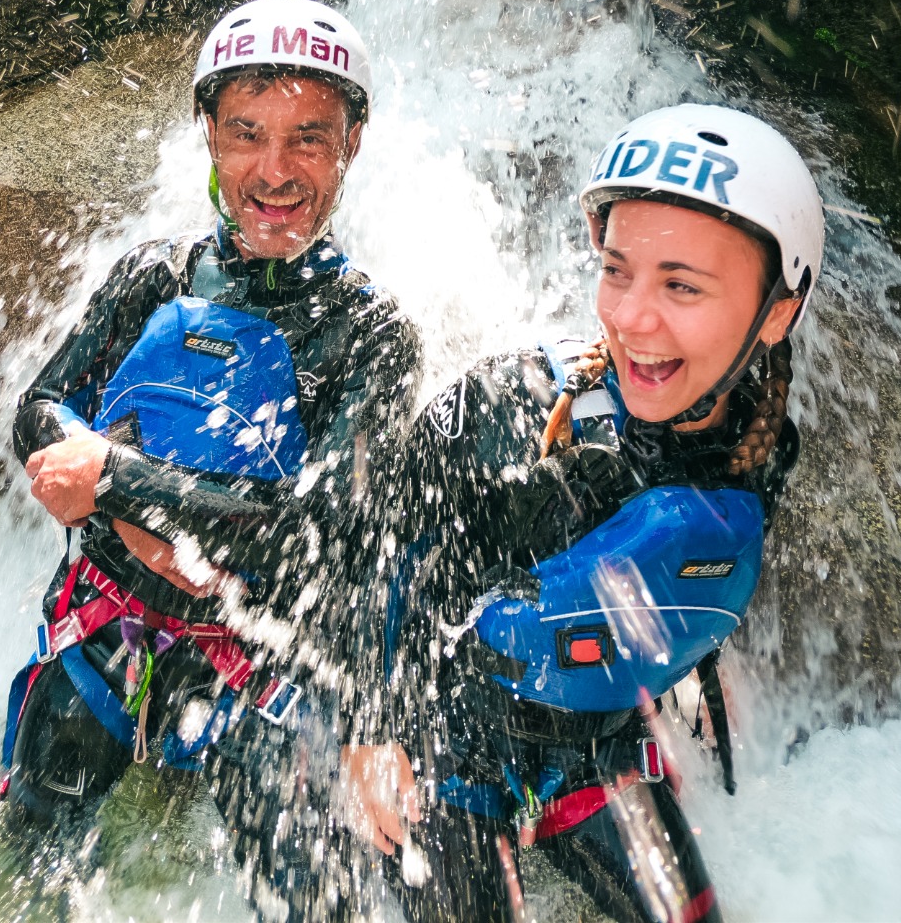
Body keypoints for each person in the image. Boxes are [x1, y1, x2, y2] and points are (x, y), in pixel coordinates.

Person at [0, 0, 423, 918]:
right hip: (107, 620)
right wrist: (129, 521)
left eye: (309, 138)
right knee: (26, 863)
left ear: (352, 143)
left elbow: (319, 530)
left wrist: (114, 484)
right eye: (246, 134)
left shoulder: (374, 336)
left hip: (262, 658)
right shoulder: (156, 274)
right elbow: (38, 412)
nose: (275, 172)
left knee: (314, 898)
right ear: (207, 136)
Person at [352, 104, 825, 922]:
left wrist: (707, 650)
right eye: (616, 270)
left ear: (775, 315)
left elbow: (693, 550)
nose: (632, 317)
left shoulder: (761, 437)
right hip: (454, 744)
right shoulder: (509, 405)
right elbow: (376, 544)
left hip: (598, 748)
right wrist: (367, 732)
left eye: (681, 285)